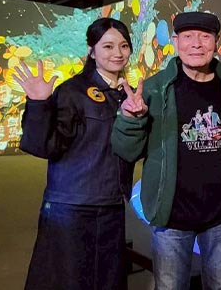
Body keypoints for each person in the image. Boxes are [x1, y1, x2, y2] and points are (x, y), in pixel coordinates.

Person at [111, 11, 221, 290]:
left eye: (205, 36)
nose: (196, 44)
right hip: (171, 217)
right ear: (175, 42)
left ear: (216, 42)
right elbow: (126, 151)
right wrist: (130, 119)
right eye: (188, 36)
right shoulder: (154, 89)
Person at [17, 17, 134, 290]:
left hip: (111, 204)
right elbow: (43, 145)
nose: (117, 53)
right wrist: (38, 104)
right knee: (67, 280)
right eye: (108, 46)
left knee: (107, 281)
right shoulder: (73, 91)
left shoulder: (125, 95)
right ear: (92, 51)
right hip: (72, 205)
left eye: (124, 45)